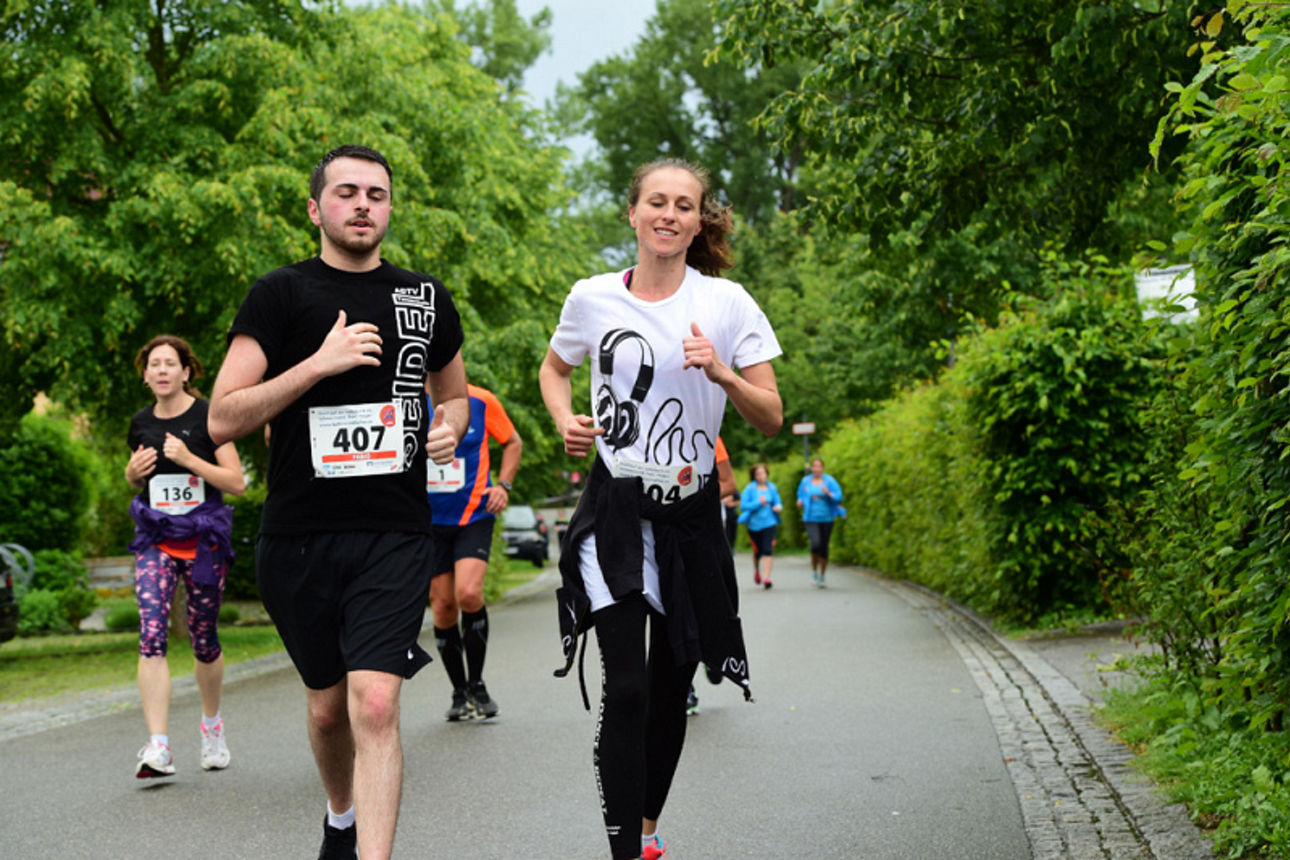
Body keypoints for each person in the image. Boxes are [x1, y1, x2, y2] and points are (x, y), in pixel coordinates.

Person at [208, 144, 469, 860]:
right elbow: (223, 418)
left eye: (377, 194)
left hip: (395, 531)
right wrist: (318, 364)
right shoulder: (280, 294)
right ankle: (341, 815)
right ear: (315, 207)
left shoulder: (423, 296)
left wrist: (447, 428)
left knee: (377, 705)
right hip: (299, 536)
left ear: (390, 207)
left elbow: (455, 397)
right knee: (329, 712)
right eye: (348, 192)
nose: (363, 205)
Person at [538, 157, 782, 860]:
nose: (670, 215)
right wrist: (564, 419)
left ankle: (646, 832)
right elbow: (556, 369)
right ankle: (622, 851)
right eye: (657, 202)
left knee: (673, 683)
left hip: (690, 518)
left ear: (699, 219)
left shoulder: (728, 303)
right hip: (614, 511)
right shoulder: (591, 298)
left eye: (685, 205)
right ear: (633, 213)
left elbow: (771, 416)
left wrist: (723, 373)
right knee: (632, 685)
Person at [126, 335, 245, 779]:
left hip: (203, 541)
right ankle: (159, 745)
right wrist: (130, 474)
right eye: (153, 364)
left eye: (169, 363)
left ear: (186, 372)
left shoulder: (209, 416)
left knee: (203, 637)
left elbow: (236, 482)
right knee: (151, 632)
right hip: (156, 537)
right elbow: (141, 481)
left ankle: (211, 727)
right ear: (145, 375)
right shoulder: (140, 423)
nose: (161, 370)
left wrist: (191, 459)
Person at [425, 383, 521, 721]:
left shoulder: (480, 400)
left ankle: (478, 684)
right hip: (427, 520)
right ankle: (459, 691)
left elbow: (512, 442)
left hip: (473, 515)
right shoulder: (403, 399)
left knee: (467, 593)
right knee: (443, 605)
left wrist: (504, 485)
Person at [687, 436, 738, 718]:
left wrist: (688, 498)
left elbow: (730, 484)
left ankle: (711, 652)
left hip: (704, 536)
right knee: (672, 613)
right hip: (663, 541)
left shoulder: (711, 435)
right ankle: (685, 688)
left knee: (702, 610)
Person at [796, 457, 845, 587]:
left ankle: (822, 575)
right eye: (814, 466)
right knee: (815, 544)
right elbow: (800, 495)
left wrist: (828, 493)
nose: (816, 469)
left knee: (824, 547)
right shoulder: (805, 481)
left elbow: (839, 497)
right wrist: (800, 502)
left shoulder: (829, 481)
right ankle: (814, 571)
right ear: (811, 468)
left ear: (822, 468)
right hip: (810, 518)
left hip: (827, 518)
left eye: (819, 466)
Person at [739, 464, 782, 589]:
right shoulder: (749, 489)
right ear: (754, 476)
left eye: (763, 473)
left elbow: (777, 501)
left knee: (768, 550)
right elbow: (743, 506)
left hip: (770, 523)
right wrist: (758, 502)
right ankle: (757, 569)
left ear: (767, 474)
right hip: (754, 525)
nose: (761, 476)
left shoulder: (772, 487)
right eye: (758, 474)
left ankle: (767, 578)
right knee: (758, 551)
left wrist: (778, 507)